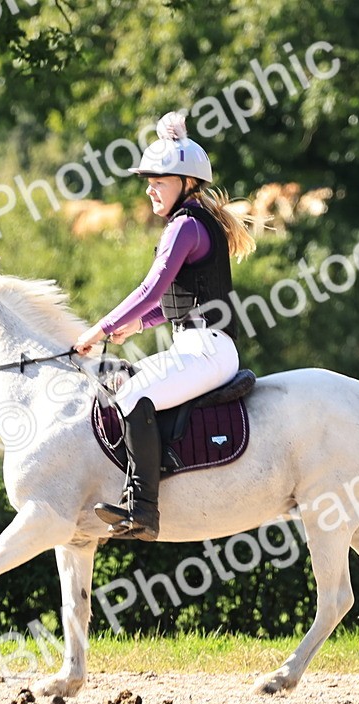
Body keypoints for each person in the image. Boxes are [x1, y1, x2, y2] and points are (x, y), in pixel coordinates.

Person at [72, 111, 256, 541]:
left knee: (131, 393)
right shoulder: (192, 222)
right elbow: (174, 303)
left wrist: (99, 330)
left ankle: (142, 509)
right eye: (149, 181)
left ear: (187, 183)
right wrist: (135, 326)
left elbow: (151, 290)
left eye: (159, 181)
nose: (150, 189)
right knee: (127, 386)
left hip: (207, 350)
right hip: (198, 345)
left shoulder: (185, 226)